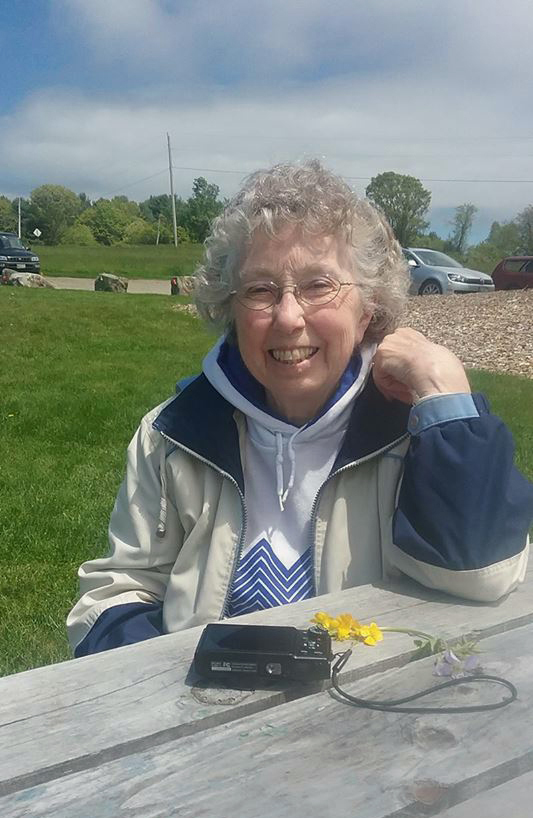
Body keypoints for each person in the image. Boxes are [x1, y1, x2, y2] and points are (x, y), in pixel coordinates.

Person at [67, 160, 533, 657]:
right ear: (231, 307)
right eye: (261, 290)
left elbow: (481, 574)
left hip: (374, 711)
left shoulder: (418, 430)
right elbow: (118, 591)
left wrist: (445, 393)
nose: (288, 317)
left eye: (318, 285)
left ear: (368, 308)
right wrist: (164, 689)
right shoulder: (174, 434)